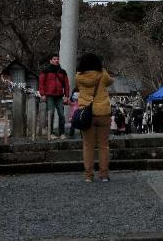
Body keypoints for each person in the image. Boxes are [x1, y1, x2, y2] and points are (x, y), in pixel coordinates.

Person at [76, 53, 113, 183]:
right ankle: (104, 175)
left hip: (86, 114)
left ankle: (88, 176)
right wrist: (103, 70)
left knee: (88, 145)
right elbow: (110, 81)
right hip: (103, 113)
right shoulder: (102, 74)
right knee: (103, 146)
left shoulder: (79, 77)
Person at [39, 52, 69, 140]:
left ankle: (62, 133)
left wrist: (67, 96)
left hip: (59, 95)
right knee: (50, 113)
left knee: (61, 115)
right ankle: (50, 133)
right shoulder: (45, 70)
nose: (57, 60)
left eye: (57, 59)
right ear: (50, 61)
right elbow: (41, 83)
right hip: (49, 95)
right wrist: (43, 94)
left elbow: (66, 85)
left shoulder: (62, 71)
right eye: (55, 59)